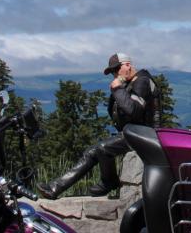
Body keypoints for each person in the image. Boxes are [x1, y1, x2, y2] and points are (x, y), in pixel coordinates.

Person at [38, 52, 160, 199]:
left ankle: (109, 181)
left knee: (103, 148)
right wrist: (118, 89)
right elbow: (116, 111)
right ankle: (55, 187)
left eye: (117, 69)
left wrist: (117, 89)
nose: (115, 74)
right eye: (113, 72)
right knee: (91, 152)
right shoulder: (130, 83)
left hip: (145, 134)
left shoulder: (142, 81)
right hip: (133, 132)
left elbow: (133, 111)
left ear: (127, 65)